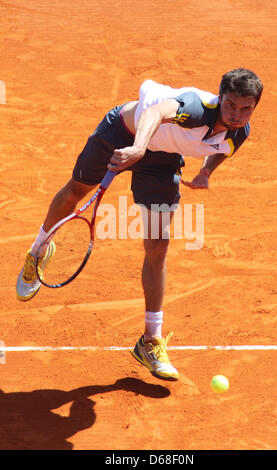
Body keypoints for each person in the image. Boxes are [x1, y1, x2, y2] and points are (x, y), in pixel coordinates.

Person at [16, 68, 263, 381]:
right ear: (220, 97)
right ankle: (38, 250)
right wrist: (138, 147)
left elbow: (222, 150)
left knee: (158, 245)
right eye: (230, 104)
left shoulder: (239, 132)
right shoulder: (197, 108)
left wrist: (206, 173)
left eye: (245, 109)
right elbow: (157, 112)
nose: (236, 114)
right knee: (75, 192)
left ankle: (149, 341)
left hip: (162, 160)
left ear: (254, 108)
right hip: (122, 133)